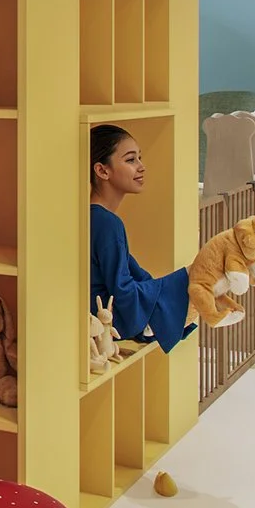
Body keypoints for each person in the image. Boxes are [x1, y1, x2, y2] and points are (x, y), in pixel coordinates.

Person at [88, 125, 192, 352]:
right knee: (195, 276)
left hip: (100, 316)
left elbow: (133, 272)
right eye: (131, 160)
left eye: (140, 158)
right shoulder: (106, 223)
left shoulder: (97, 218)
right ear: (102, 171)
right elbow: (121, 288)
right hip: (106, 322)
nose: (141, 167)